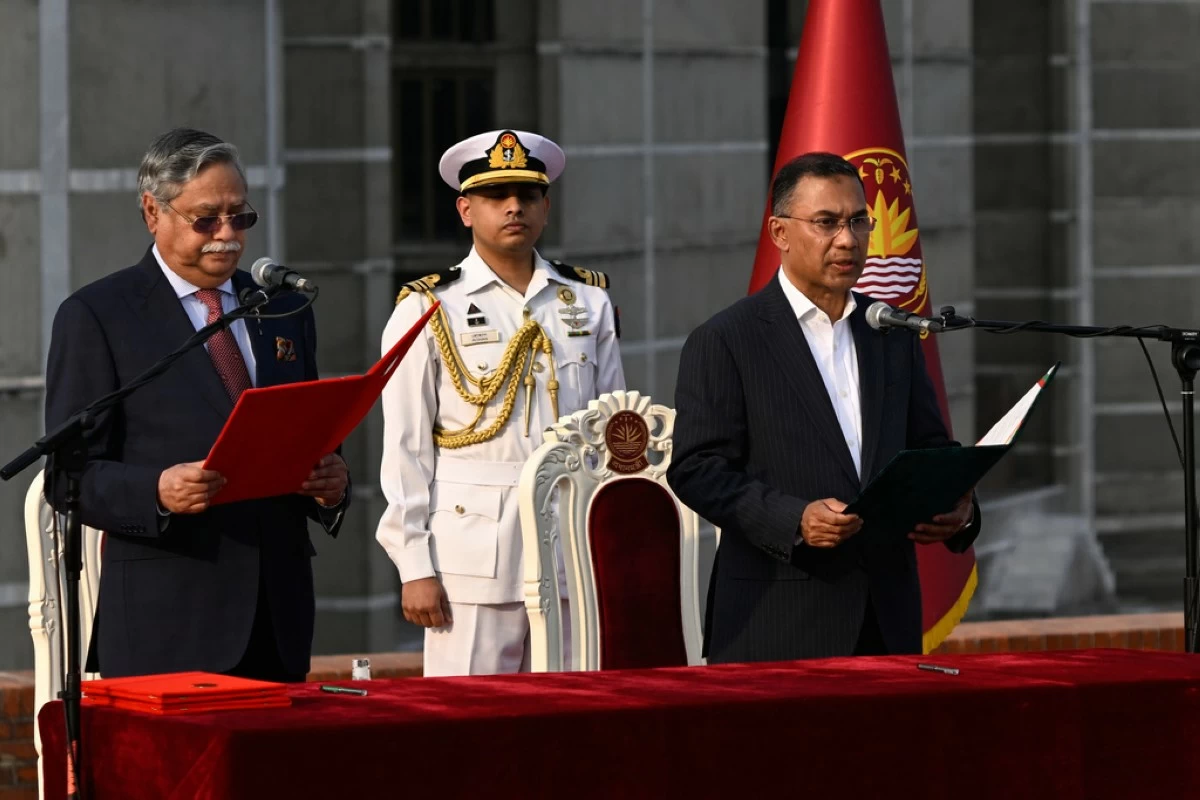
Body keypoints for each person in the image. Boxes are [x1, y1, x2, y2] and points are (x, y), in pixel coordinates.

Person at [44, 128, 350, 681]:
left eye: (241, 217)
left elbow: (311, 431)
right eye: (206, 219)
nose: (227, 236)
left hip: (276, 616)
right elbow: (69, 477)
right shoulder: (99, 315)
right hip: (168, 617)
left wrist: (331, 482)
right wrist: (157, 491)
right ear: (151, 212)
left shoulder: (280, 306)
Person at [666, 152, 980, 663]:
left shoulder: (891, 333)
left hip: (887, 616)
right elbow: (697, 470)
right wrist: (794, 518)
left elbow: (929, 448)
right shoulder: (727, 339)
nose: (848, 240)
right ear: (780, 233)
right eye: (827, 223)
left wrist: (959, 507)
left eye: (859, 221)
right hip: (778, 618)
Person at [377, 129, 625, 676]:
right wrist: (412, 562)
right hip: (470, 552)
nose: (514, 207)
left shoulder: (587, 299)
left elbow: (610, 434)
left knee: (570, 714)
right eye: (495, 197)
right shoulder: (428, 306)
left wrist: (611, 545)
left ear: (546, 206)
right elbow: (405, 446)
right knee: (467, 720)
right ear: (466, 209)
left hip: (570, 546)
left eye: (528, 195)